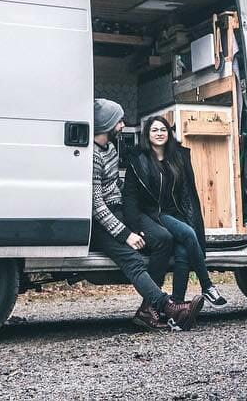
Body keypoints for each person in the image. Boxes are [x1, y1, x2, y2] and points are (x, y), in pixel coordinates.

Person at [90, 99, 204, 331]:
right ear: (107, 124)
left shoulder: (110, 148)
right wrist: (126, 234)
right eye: (119, 122)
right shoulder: (91, 156)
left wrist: (135, 219)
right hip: (101, 221)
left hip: (119, 210)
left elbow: (117, 188)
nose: (122, 126)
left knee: (163, 238)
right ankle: (167, 306)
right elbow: (95, 204)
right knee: (132, 259)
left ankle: (147, 310)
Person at [123, 115, 228, 307]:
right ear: (147, 134)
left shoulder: (178, 158)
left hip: (176, 213)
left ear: (169, 134)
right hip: (156, 214)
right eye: (154, 130)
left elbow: (188, 193)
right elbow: (129, 197)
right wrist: (134, 226)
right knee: (188, 234)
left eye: (163, 130)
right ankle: (207, 285)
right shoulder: (138, 162)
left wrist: (191, 217)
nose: (159, 133)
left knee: (183, 252)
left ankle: (177, 306)